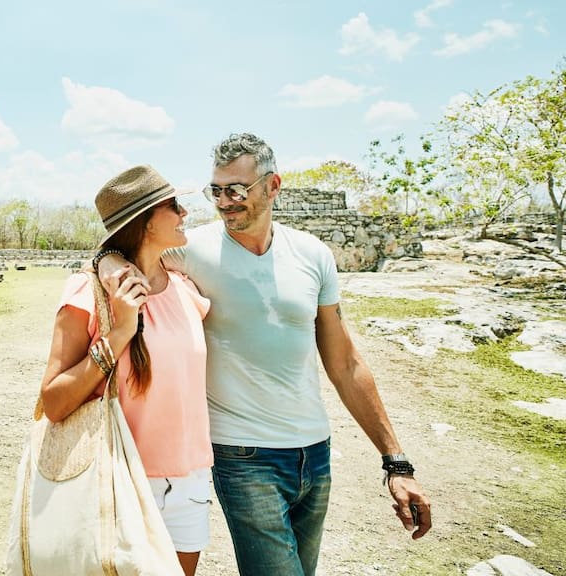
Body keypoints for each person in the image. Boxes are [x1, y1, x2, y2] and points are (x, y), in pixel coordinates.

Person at [95, 133, 432, 576]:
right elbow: (119, 243)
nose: (224, 201)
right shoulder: (189, 249)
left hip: (315, 452)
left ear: (273, 186)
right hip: (242, 455)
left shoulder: (313, 254)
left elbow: (345, 362)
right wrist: (111, 263)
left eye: (237, 189)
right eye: (216, 190)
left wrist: (395, 461)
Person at [39, 165, 212, 576]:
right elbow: (53, 401)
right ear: (145, 222)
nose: (185, 213)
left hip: (191, 479)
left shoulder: (185, 288)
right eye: (174, 205)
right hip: (119, 478)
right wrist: (119, 333)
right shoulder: (90, 291)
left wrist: (108, 257)